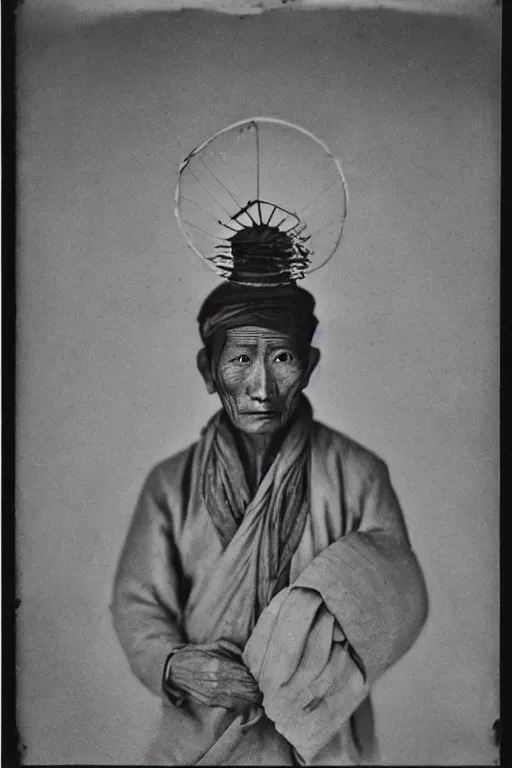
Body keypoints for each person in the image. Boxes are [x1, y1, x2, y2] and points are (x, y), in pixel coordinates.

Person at [110, 278, 429, 766]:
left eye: (282, 357)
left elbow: (399, 599)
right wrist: (176, 665)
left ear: (310, 365)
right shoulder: (170, 484)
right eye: (240, 359)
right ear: (208, 369)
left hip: (322, 743)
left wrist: (309, 668)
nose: (261, 387)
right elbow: (137, 605)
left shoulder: (360, 474)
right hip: (202, 734)